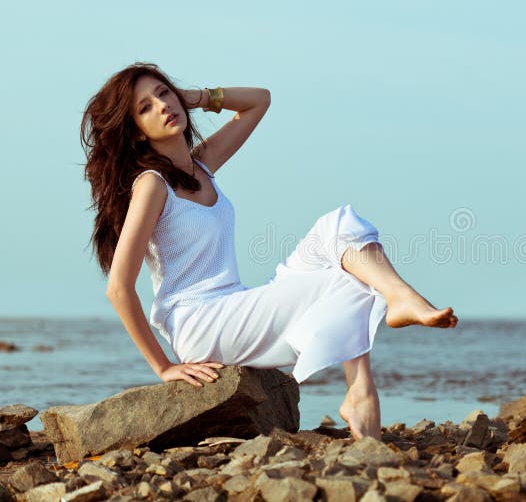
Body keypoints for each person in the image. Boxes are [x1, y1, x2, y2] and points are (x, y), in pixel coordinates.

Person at [80, 62, 458, 439]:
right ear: (137, 134)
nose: (162, 106)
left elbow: (260, 101)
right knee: (340, 276)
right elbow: (118, 288)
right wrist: (163, 367)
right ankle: (366, 381)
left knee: (340, 227)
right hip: (199, 323)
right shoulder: (152, 185)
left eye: (163, 93)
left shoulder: (202, 165)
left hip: (235, 304)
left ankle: (379, 343)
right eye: (145, 108)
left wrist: (194, 97)